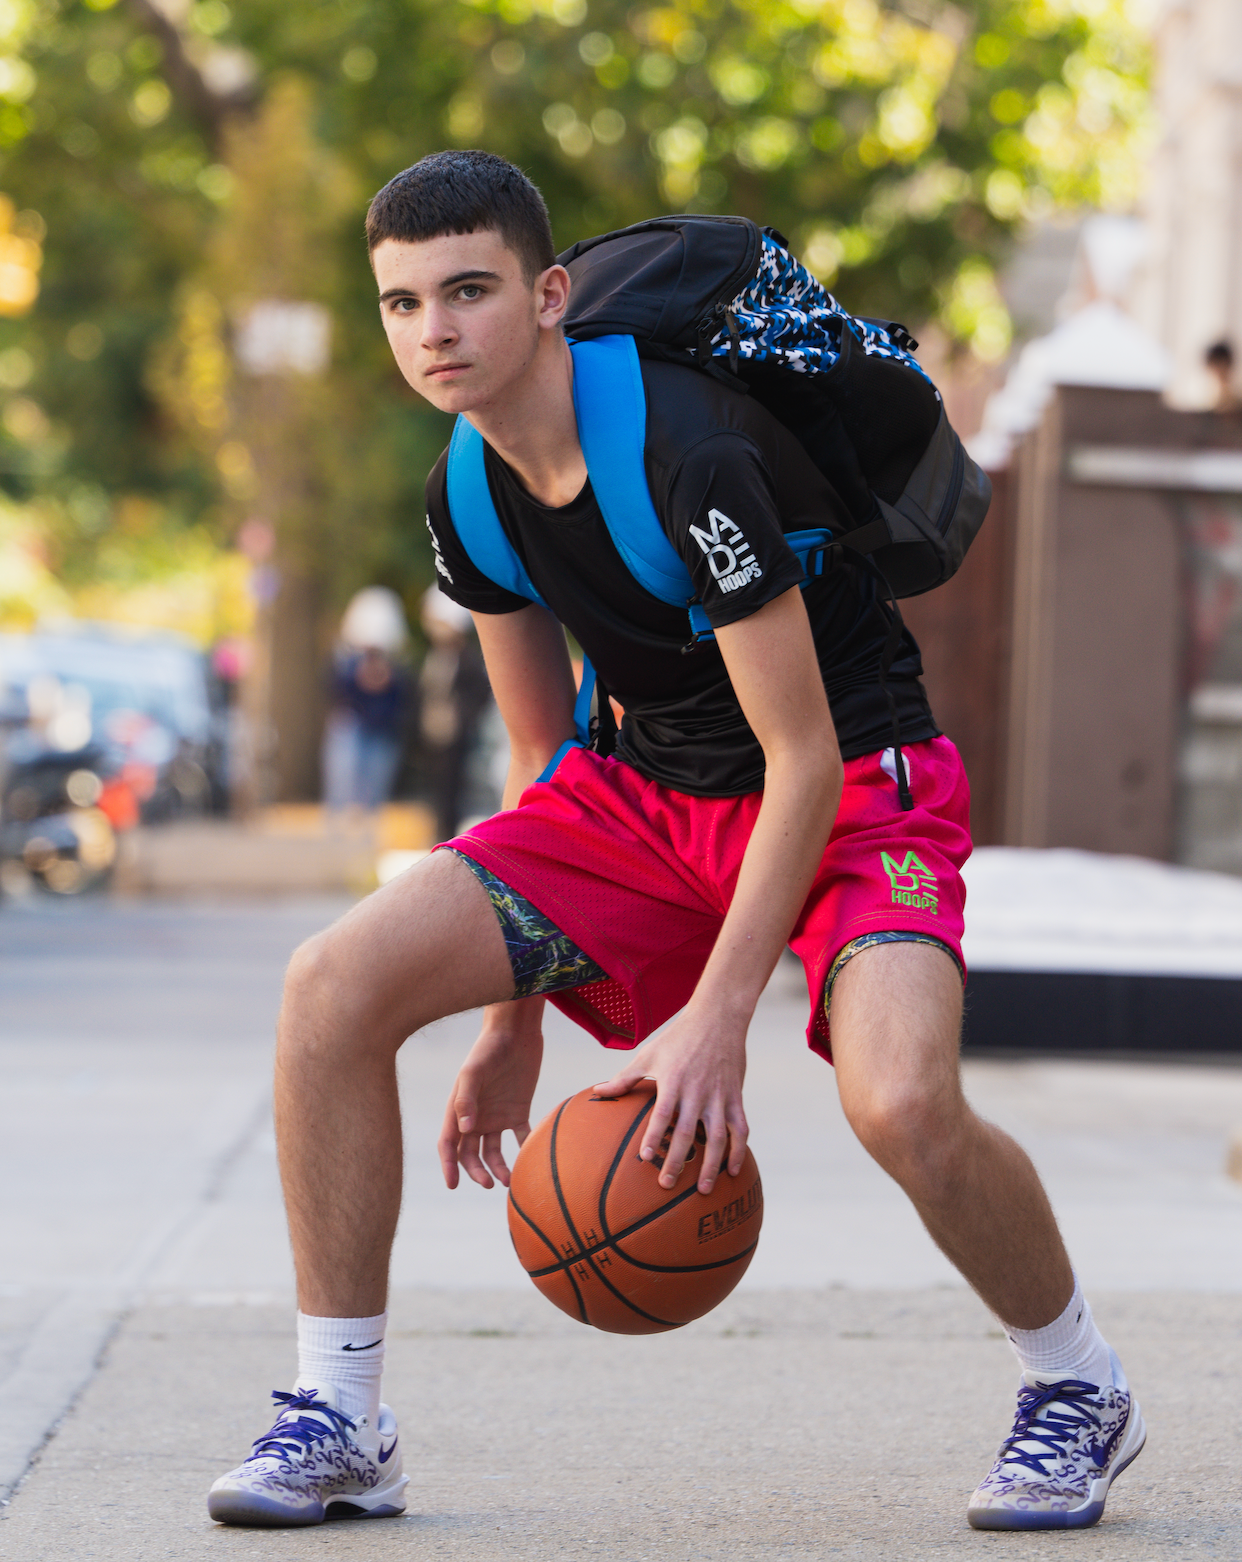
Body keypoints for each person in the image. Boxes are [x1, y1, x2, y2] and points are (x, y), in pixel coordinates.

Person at [208, 151, 1145, 1532]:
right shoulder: (466, 490)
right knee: (328, 990)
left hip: (852, 785)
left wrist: (717, 1020)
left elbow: (803, 760)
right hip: (635, 796)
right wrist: (509, 1014)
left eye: (466, 293)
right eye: (402, 304)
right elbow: (536, 759)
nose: (434, 334)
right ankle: (338, 1414)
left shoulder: (685, 452)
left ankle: (1076, 1386)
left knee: (898, 1100)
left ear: (546, 294)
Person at [321, 587, 411, 816]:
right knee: (343, 773)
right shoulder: (348, 661)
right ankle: (338, 819)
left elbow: (404, 694)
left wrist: (388, 678)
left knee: (377, 776)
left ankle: (369, 821)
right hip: (352, 720)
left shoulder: (396, 665)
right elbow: (334, 687)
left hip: (382, 726)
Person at [413, 584, 493, 841]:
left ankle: (446, 837)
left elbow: (479, 694)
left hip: (455, 734)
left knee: (452, 793)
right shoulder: (435, 656)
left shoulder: (467, 658)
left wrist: (460, 716)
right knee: (436, 792)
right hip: (434, 733)